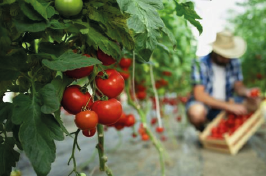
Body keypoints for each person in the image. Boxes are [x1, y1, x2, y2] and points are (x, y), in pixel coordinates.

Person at [186, 30, 260, 131]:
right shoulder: (200, 64)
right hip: (207, 106)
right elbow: (199, 95)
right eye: (223, 56)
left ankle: (234, 129)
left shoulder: (234, 62)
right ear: (215, 52)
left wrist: (247, 92)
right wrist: (228, 106)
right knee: (195, 112)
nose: (227, 59)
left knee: (256, 102)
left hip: (228, 101)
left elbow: (238, 86)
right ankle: (203, 131)